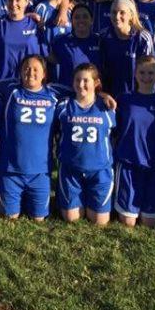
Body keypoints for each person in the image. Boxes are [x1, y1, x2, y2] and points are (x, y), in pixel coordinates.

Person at [0, 55, 60, 221]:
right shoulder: (10, 89)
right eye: (26, 68)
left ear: (44, 74)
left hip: (40, 171)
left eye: (35, 69)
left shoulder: (53, 93)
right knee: (10, 217)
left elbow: (82, 91)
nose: (30, 72)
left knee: (38, 218)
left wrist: (102, 94)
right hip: (11, 170)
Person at [54, 63, 117, 225]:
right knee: (71, 219)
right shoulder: (63, 106)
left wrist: (103, 95)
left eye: (86, 81)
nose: (81, 84)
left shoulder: (107, 107)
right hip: (71, 169)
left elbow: (114, 136)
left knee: (100, 222)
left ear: (96, 83)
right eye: (77, 80)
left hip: (99, 171)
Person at [113, 55, 155, 227]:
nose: (146, 77)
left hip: (154, 165)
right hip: (128, 164)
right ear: (135, 74)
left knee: (149, 222)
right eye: (142, 72)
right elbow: (115, 131)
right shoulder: (124, 99)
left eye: (151, 73)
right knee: (128, 222)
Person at [98, 0, 154, 98]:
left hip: (135, 98)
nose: (117, 16)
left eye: (122, 12)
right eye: (114, 12)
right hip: (109, 98)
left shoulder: (142, 38)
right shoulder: (103, 36)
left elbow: (149, 72)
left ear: (131, 16)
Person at [49, 3, 101, 89]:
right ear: (72, 21)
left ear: (92, 20)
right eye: (77, 17)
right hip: (68, 93)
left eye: (85, 17)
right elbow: (49, 58)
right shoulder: (61, 41)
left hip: (93, 95)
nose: (81, 20)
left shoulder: (99, 41)